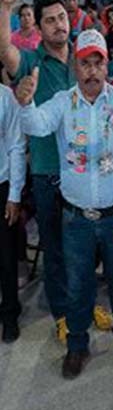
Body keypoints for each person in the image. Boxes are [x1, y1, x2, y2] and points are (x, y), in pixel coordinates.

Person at [17, 30, 113, 378]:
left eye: (98, 63)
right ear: (75, 67)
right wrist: (26, 103)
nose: (92, 71)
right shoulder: (62, 102)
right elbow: (37, 125)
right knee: (78, 286)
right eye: (85, 63)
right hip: (75, 218)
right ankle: (77, 345)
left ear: (107, 66)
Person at [0, 0, 113, 343]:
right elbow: (5, 51)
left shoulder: (82, 58)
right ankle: (63, 313)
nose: (58, 25)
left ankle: (86, 304)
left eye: (62, 17)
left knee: (85, 248)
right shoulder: (31, 62)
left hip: (85, 169)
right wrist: (6, 7)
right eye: (49, 20)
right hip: (49, 170)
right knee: (54, 246)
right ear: (38, 27)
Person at [0, 82, 24, 344]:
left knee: (5, 257)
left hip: (1, 184)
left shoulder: (5, 97)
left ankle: (9, 314)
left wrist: (14, 194)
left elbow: (16, 146)